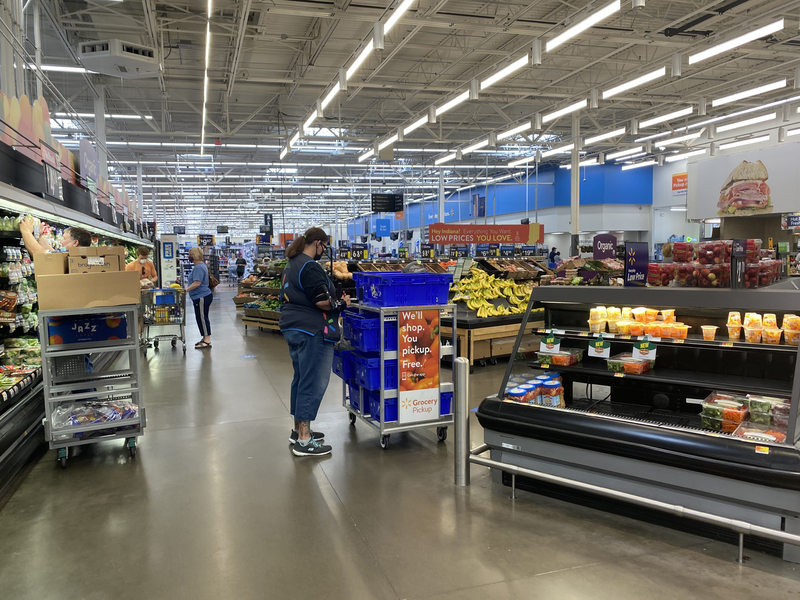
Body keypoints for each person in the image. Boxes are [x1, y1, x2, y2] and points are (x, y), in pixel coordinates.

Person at [279, 227, 350, 457]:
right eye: (324, 246)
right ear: (318, 243)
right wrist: (342, 304)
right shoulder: (309, 266)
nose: (324, 251)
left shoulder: (292, 263)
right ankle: (304, 440)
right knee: (313, 381)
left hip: (293, 327)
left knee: (301, 379)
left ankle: (298, 429)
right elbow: (322, 302)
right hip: (312, 330)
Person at [186, 246, 212, 349]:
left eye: (190, 254)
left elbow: (197, 283)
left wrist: (186, 290)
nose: (189, 256)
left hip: (202, 296)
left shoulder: (199, 267)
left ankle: (207, 340)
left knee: (202, 318)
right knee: (200, 318)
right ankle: (205, 337)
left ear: (196, 255)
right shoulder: (200, 266)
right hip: (200, 296)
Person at [20, 217, 92, 254]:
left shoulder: (71, 258)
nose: (61, 241)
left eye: (64, 239)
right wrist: (39, 236)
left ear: (75, 243)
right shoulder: (77, 256)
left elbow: (40, 254)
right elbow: (53, 253)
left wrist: (26, 232)